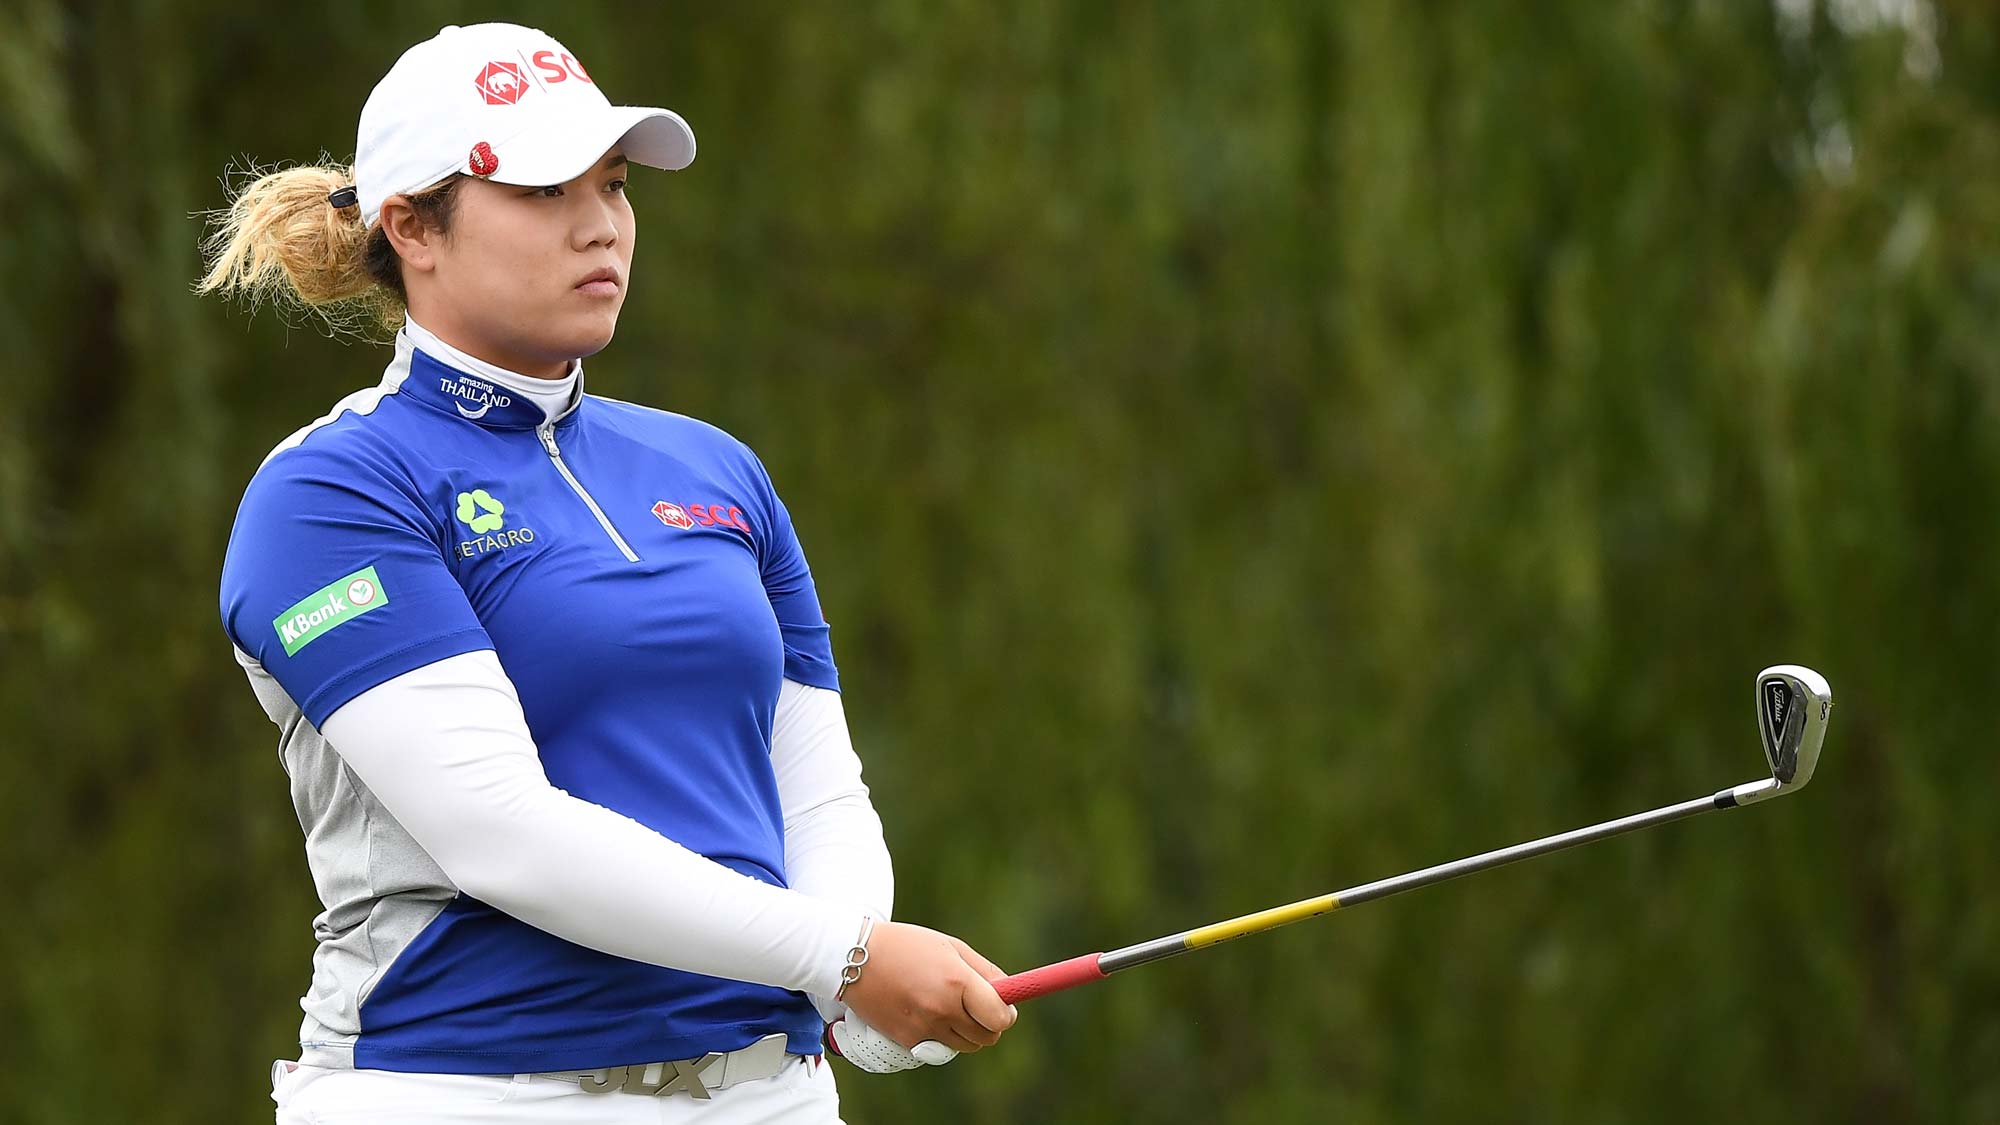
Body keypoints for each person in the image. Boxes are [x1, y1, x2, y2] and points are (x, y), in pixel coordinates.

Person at [198, 22, 1015, 1124]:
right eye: (541, 192)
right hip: (463, 1096)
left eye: (615, 185)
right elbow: (499, 831)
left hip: (767, 1098)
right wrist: (848, 954)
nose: (601, 226)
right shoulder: (333, 491)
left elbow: (813, 785)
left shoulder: (711, 465)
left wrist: (845, 970)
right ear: (412, 228)